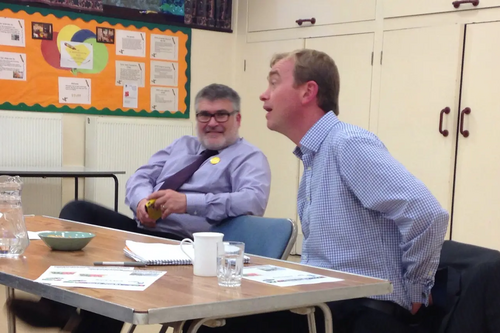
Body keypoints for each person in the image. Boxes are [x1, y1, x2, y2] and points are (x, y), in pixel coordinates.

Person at [196, 50, 450, 333]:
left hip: (360, 312)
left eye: (274, 83)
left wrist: (416, 291)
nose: (263, 95)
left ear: (308, 92)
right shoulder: (315, 156)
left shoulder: (347, 143)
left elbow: (428, 214)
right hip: (326, 303)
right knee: (209, 319)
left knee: (215, 326)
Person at [7, 83, 271, 332]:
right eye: (204, 115)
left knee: (112, 263)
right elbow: (140, 177)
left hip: (186, 245)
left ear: (237, 119)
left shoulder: (249, 157)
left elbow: (252, 201)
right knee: (78, 210)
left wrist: (189, 203)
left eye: (221, 115)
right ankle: (56, 307)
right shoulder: (182, 145)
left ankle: (84, 323)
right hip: (145, 230)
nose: (212, 123)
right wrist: (142, 201)